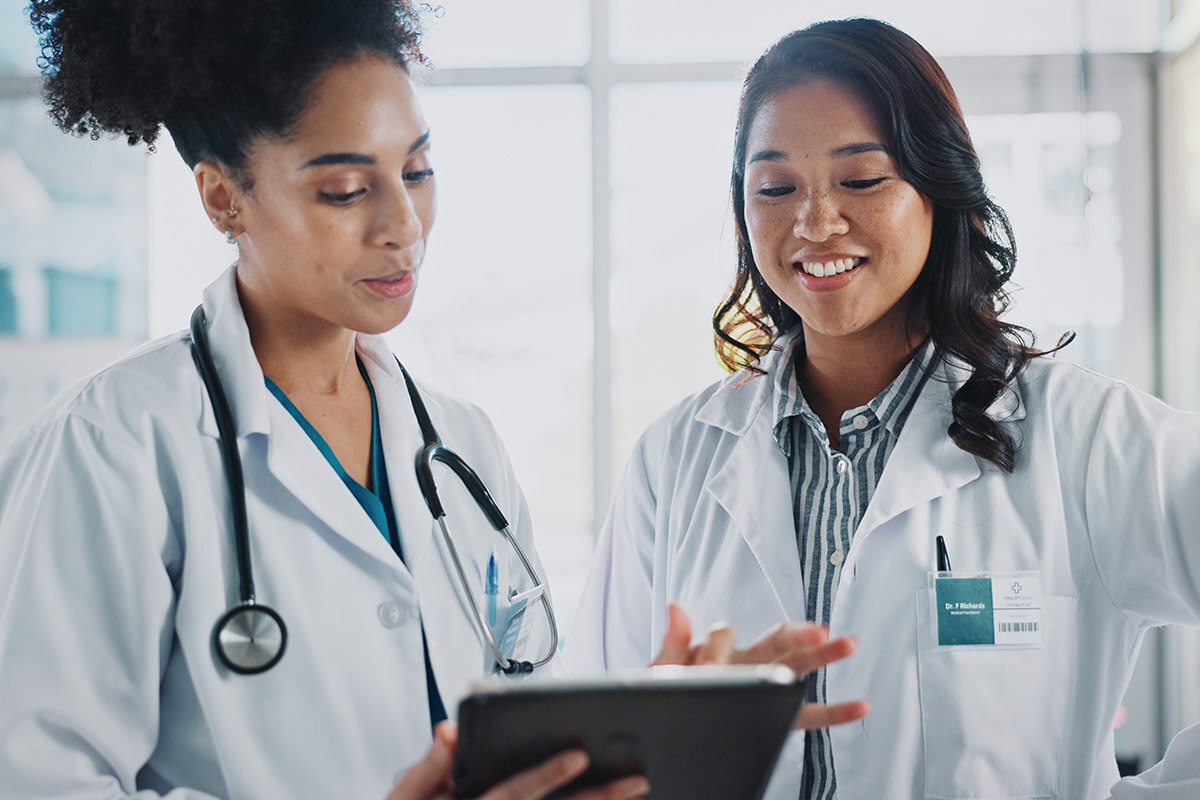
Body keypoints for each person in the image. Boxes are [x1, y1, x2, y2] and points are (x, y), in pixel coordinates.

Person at [565, 17, 1200, 800]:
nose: (815, 222)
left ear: (938, 188)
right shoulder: (675, 460)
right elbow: (593, 747)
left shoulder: (1087, 436)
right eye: (775, 188)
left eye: (861, 180)